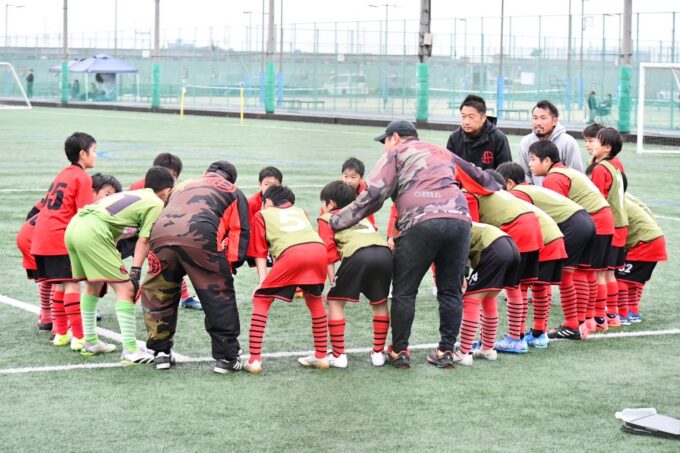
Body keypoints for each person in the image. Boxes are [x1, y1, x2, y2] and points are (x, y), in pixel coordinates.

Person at [330, 120, 501, 369]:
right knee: (451, 290)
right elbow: (482, 179)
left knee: (405, 290)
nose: (385, 147)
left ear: (395, 138)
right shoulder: (442, 151)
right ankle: (445, 351)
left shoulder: (396, 154)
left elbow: (374, 195)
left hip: (420, 221)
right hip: (459, 222)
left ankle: (399, 352)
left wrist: (337, 220)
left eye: (385, 141)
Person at [141, 161, 249, 373]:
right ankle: (227, 357)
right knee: (218, 295)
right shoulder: (234, 191)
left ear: (205, 173)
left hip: (161, 234)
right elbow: (240, 231)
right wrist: (231, 264)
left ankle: (161, 353)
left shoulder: (182, 185)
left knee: (160, 292)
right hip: (199, 235)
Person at [65, 166, 174, 365]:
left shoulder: (134, 194)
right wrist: (135, 271)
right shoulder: (157, 204)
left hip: (74, 226)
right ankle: (130, 350)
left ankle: (90, 341)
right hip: (93, 231)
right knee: (126, 289)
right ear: (167, 191)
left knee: (92, 285)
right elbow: (144, 240)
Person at [496, 162, 596, 340]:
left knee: (527, 282)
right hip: (584, 220)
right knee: (566, 277)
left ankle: (524, 334)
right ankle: (576, 324)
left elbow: (523, 223)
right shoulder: (532, 189)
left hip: (565, 228)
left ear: (509, 183)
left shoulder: (518, 193)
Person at [528, 140, 614, 335]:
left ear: (547, 160)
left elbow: (558, 213)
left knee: (570, 273)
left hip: (589, 220)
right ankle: (588, 320)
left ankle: (573, 324)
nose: (530, 165)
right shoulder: (568, 171)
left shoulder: (553, 178)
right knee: (587, 272)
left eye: (533, 159)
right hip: (601, 220)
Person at [245, 185, 329, 374]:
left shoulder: (262, 215)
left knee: (261, 298)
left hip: (293, 253)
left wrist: (261, 282)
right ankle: (322, 356)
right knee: (314, 299)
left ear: (268, 202)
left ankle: (254, 360)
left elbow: (260, 252)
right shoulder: (300, 211)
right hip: (319, 250)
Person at [30, 132, 97, 350]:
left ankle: (61, 333)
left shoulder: (63, 173)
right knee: (72, 284)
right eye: (94, 151)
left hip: (42, 236)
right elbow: (84, 213)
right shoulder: (83, 177)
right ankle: (79, 337)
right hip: (60, 236)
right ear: (82, 153)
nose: (96, 156)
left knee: (59, 284)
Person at [461, 175, 543, 354]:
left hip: (510, 234)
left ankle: (470, 349)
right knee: (511, 287)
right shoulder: (495, 191)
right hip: (530, 230)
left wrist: (463, 274)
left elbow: (469, 229)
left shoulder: (468, 193)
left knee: (478, 295)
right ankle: (515, 337)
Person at [317, 181, 392, 368]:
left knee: (335, 300)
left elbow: (328, 252)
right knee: (380, 301)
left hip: (358, 254)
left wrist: (332, 280)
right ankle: (377, 354)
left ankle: (339, 355)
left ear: (331, 203)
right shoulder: (363, 215)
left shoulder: (326, 218)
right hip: (384, 254)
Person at [126, 153, 202, 310]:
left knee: (170, 257)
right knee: (109, 261)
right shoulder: (139, 187)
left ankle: (185, 296)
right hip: (130, 234)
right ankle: (92, 297)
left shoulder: (174, 191)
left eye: (174, 175)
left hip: (151, 234)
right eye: (168, 174)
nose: (171, 178)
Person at [457, 222, 520, 365]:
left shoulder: (450, 226)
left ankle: (463, 353)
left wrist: (463, 275)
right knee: (488, 297)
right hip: (511, 246)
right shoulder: (459, 221)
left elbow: (460, 250)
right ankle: (488, 349)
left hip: (495, 249)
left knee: (470, 300)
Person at [588, 127, 628, 328]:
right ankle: (612, 315)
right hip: (621, 224)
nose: (592, 144)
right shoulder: (615, 166)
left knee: (599, 272)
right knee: (610, 272)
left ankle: (598, 317)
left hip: (607, 225)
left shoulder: (600, 169)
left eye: (596, 141)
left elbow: (595, 199)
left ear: (607, 148)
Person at [615, 193, 667, 323]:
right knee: (634, 280)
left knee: (621, 278)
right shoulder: (626, 195)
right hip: (655, 238)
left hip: (644, 243)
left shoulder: (614, 200)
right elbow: (646, 210)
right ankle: (633, 312)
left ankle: (622, 314)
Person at [518, 100, 584, 186]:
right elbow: (524, 174)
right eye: (535, 118)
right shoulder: (525, 142)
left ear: (554, 121)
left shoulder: (568, 143)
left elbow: (576, 175)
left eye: (543, 118)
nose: (538, 122)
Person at [446, 94, 512, 170]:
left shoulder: (499, 138)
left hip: (490, 182)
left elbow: (505, 171)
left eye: (471, 117)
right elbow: (449, 168)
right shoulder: (454, 138)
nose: (466, 122)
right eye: (463, 116)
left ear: (483, 118)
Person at [340, 157, 377, 229]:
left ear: (361, 178)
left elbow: (369, 213)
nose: (348, 181)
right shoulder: (336, 190)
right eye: (346, 176)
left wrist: (373, 227)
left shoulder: (366, 192)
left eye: (353, 177)